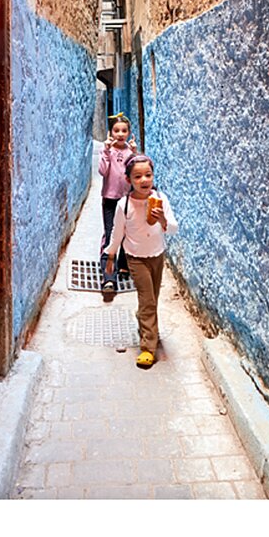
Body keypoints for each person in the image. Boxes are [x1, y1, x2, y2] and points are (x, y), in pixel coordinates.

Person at [104, 155, 178, 369]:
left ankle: (143, 319)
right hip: (135, 258)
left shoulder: (161, 199)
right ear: (129, 180)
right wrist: (111, 256)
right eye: (138, 176)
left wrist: (163, 219)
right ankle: (148, 347)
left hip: (157, 254)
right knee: (148, 299)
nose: (144, 180)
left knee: (152, 297)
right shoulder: (124, 204)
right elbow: (117, 232)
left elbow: (173, 228)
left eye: (148, 175)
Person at [98, 113, 137, 300]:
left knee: (125, 235)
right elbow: (103, 172)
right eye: (117, 130)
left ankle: (122, 266)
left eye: (124, 131)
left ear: (129, 133)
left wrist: (135, 155)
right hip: (110, 200)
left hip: (127, 200)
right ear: (110, 132)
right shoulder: (108, 152)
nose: (120, 134)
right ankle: (108, 278)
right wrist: (106, 152)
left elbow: (135, 174)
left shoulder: (130, 153)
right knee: (111, 236)